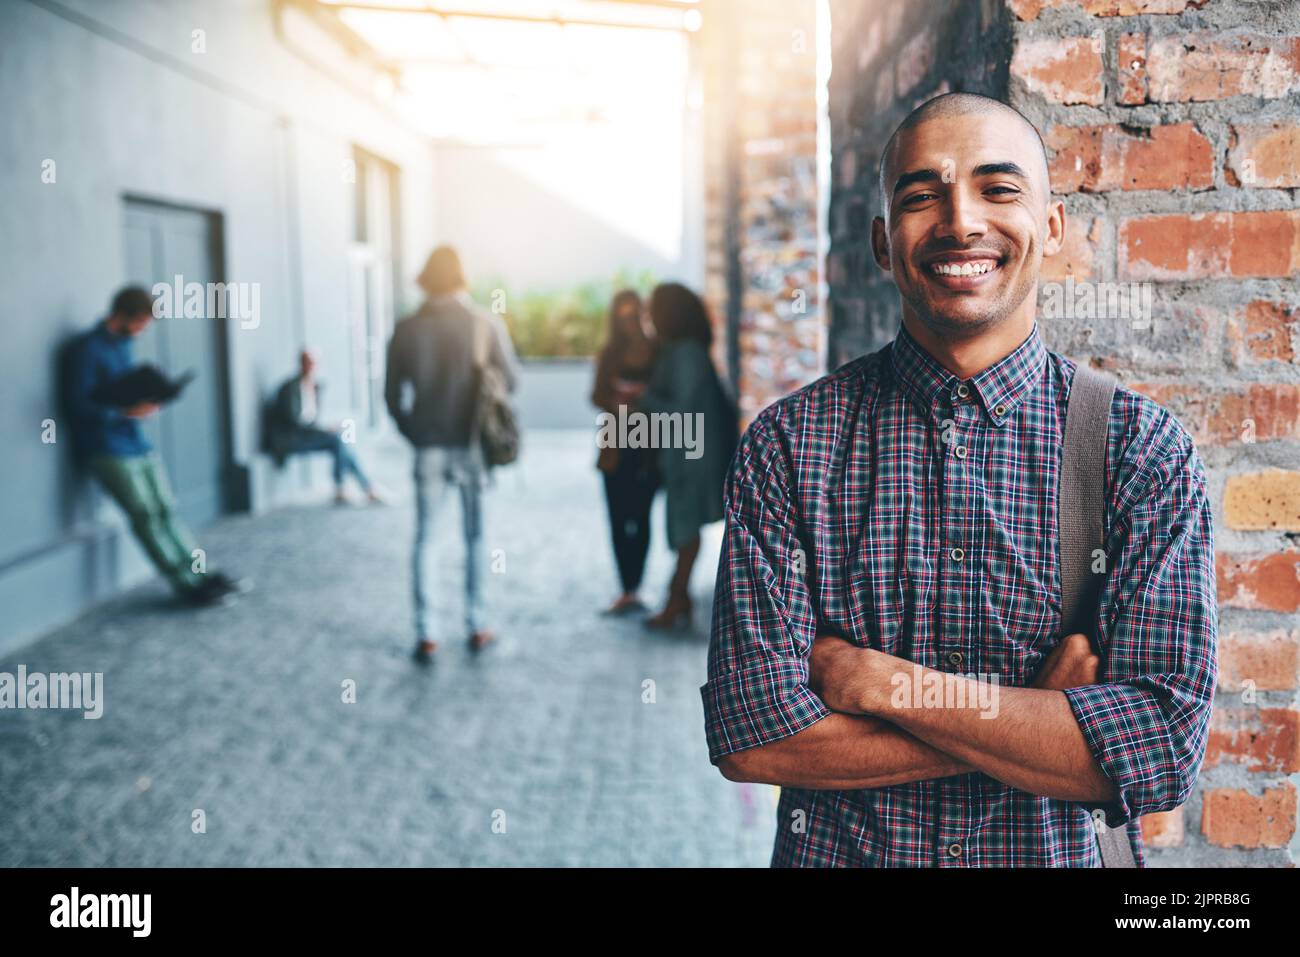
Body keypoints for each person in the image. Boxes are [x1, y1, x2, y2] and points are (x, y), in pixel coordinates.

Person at [702, 93, 1217, 867]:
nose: (961, 221)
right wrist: (1039, 719)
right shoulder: (787, 446)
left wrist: (877, 682)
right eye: (921, 195)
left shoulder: (1139, 452)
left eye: (998, 188)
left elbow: (1157, 751)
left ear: (1051, 225)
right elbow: (754, 737)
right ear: (884, 243)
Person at [62, 286, 250, 607]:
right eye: (143, 322)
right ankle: (186, 585)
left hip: (136, 441)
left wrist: (146, 402)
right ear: (125, 315)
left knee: (166, 509)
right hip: (106, 447)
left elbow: (121, 389)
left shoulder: (124, 345)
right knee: (146, 515)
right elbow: (76, 404)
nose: (144, 329)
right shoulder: (87, 349)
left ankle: (205, 573)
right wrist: (122, 412)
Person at [385, 246, 520, 661]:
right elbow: (511, 382)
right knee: (475, 537)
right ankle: (477, 624)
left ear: (425, 279)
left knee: (426, 538)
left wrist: (415, 432)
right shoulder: (484, 324)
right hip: (472, 446)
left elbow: (391, 396)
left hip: (428, 445)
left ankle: (426, 632)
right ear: (462, 278)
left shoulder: (407, 328)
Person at [638, 283, 738, 630]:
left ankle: (677, 597)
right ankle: (677, 596)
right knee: (686, 523)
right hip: (692, 448)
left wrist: (641, 397)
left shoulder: (684, 354)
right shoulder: (686, 350)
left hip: (690, 453)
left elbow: (678, 409)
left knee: (685, 524)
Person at [591, 290, 660, 616]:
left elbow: (666, 395)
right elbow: (595, 394)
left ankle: (637, 584)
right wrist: (616, 401)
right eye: (623, 319)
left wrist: (644, 398)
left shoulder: (660, 352)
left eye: (634, 318)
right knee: (618, 518)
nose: (629, 325)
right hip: (614, 445)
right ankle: (627, 588)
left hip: (649, 445)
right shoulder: (608, 354)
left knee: (642, 516)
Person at [267, 349, 387, 505]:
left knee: (341, 443)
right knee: (337, 441)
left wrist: (326, 428)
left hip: (306, 435)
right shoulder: (289, 388)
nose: (310, 367)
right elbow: (294, 421)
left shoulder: (315, 387)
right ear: (301, 364)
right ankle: (352, 488)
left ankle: (361, 487)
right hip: (290, 439)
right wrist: (323, 430)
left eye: (313, 364)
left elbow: (310, 420)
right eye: (307, 363)